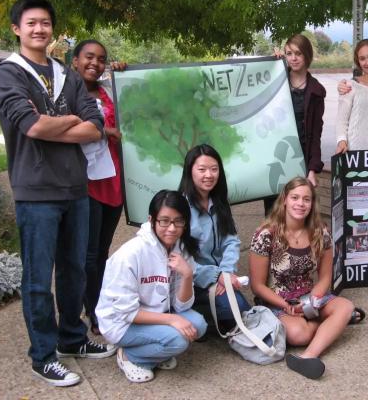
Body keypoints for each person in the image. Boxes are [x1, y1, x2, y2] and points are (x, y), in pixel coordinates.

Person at [0, 0, 115, 387]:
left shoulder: (68, 74)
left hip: (76, 188)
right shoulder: (8, 74)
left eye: (45, 23)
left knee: (74, 271)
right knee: (38, 278)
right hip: (36, 190)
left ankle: (72, 340)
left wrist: (58, 121)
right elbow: (31, 127)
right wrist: (68, 119)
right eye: (31, 23)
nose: (39, 29)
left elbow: (94, 127)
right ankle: (42, 355)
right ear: (17, 29)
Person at [249, 177, 359, 380]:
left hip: (309, 298)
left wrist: (311, 300)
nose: (300, 204)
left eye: (306, 199)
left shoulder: (320, 232)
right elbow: (257, 286)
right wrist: (286, 305)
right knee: (300, 335)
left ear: (312, 203)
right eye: (295, 197)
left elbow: (325, 277)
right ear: (284, 200)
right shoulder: (265, 235)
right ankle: (333, 324)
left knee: (345, 306)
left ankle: (308, 356)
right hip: (277, 300)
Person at [95, 190, 207, 383]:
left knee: (198, 325)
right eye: (164, 221)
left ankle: (155, 351)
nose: (171, 228)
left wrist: (187, 274)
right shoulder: (130, 254)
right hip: (123, 323)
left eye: (178, 221)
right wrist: (171, 319)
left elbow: (181, 307)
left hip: (155, 313)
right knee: (178, 340)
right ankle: (132, 357)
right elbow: (126, 313)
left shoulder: (180, 248)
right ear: (151, 220)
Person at [72, 40, 124, 336]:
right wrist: (102, 131)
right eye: (89, 57)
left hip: (113, 180)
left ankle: (99, 303)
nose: (95, 63)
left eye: (102, 59)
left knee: (102, 250)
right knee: (89, 254)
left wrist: (123, 74)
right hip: (86, 181)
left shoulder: (107, 91)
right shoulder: (67, 94)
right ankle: (92, 311)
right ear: (75, 61)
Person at [179, 144, 251, 332]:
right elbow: (182, 259)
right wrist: (216, 276)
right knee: (235, 311)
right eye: (202, 169)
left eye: (214, 169)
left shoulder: (219, 201)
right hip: (191, 280)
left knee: (241, 311)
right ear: (190, 171)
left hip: (220, 276)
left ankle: (206, 312)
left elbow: (231, 240)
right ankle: (193, 309)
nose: (208, 175)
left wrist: (226, 273)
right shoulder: (181, 208)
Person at [265, 33, 326, 215]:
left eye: (298, 53)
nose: (293, 58)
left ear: (307, 55)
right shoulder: (277, 78)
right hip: (275, 156)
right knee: (273, 212)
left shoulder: (316, 91)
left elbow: (316, 133)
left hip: (300, 157)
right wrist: (272, 63)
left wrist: (313, 169)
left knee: (297, 211)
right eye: (289, 53)